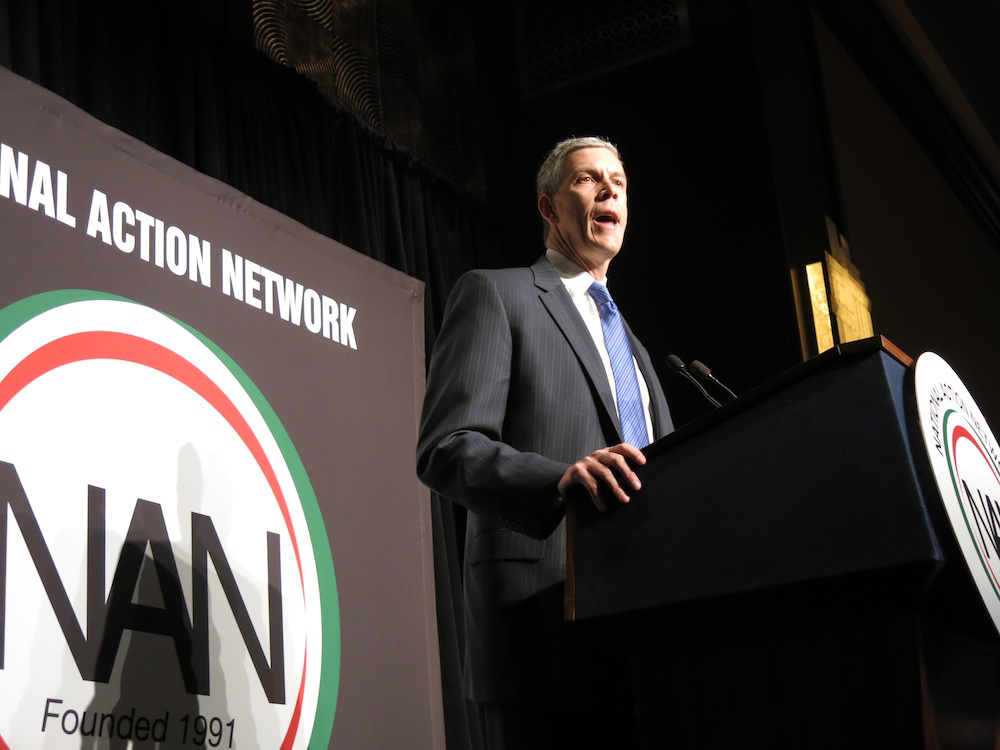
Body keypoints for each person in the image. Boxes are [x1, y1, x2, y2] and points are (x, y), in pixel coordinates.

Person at [417, 136, 673, 748]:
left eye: (619, 179)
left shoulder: (636, 349)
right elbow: (447, 446)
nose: (610, 189)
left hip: (646, 637)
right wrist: (556, 479)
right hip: (538, 629)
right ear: (548, 208)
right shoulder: (497, 294)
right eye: (587, 179)